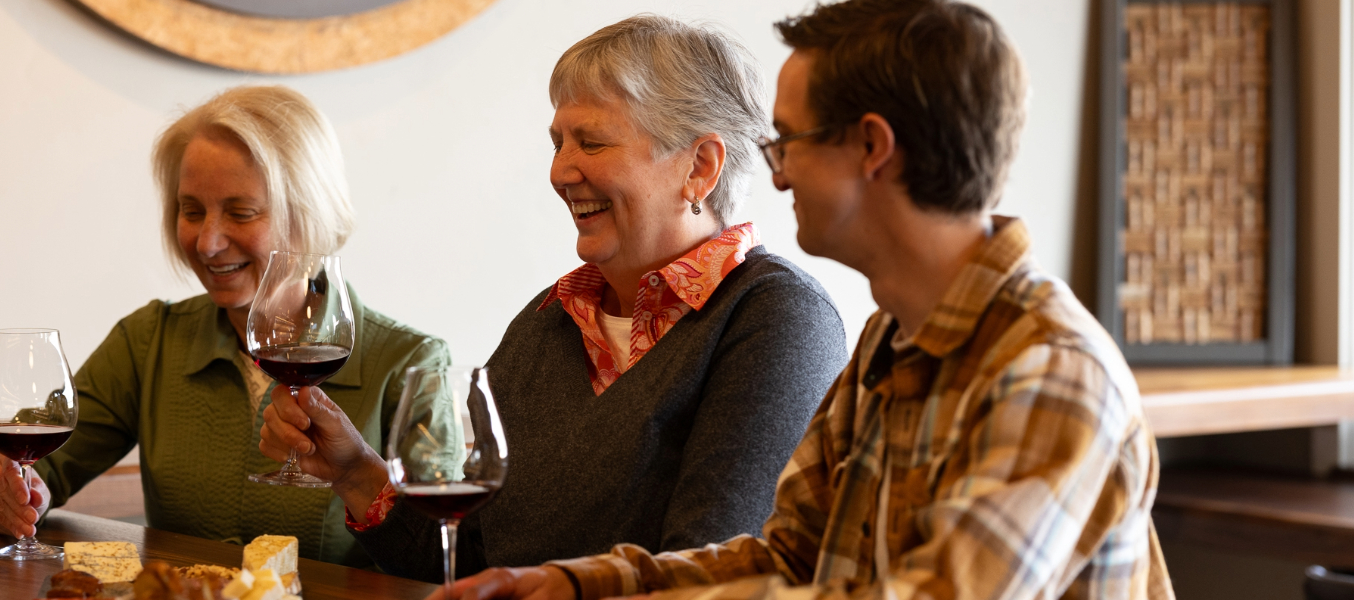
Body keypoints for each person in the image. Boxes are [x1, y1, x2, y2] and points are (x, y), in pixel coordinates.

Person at [439, 1, 1176, 599]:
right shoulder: (892, 337)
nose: (778, 174)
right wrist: (574, 585)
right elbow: (787, 557)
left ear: (872, 149)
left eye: (789, 141)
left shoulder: (1050, 371)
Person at [258, 15, 850, 582]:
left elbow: (704, 570)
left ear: (700, 168)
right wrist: (355, 471)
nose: (560, 171)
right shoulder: (548, 322)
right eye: (558, 142)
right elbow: (467, 561)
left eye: (590, 143)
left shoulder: (777, 319)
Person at [0, 85, 452, 567]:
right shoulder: (149, 341)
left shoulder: (410, 362)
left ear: (307, 215)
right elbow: (21, 452)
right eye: (191, 210)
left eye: (240, 212)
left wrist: (361, 479)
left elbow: (449, 554)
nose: (207, 242)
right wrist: (5, 492)